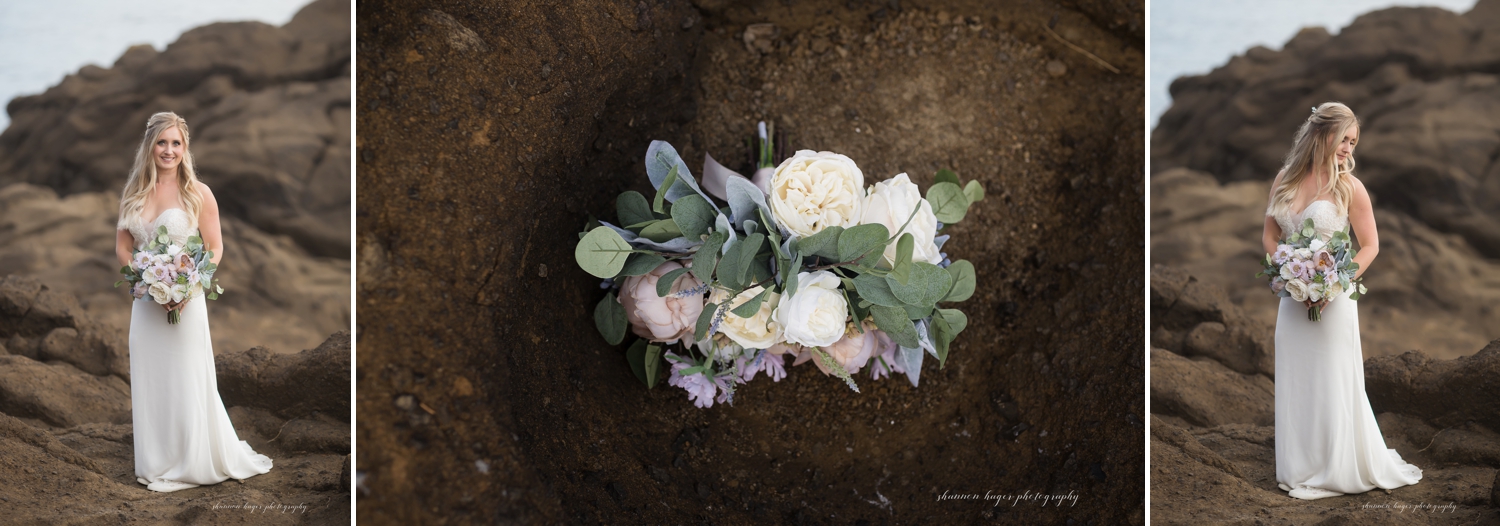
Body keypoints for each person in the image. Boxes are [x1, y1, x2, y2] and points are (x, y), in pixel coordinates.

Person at [1260, 102, 1421, 500]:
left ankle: (1337, 466)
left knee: (1332, 380)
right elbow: (1270, 235)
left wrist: (1334, 283)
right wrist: (1288, 271)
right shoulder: (1285, 178)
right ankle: (1300, 466)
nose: (1349, 148)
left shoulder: (1350, 186)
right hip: (1293, 300)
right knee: (1298, 378)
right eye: (1344, 139)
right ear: (1322, 134)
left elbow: (1370, 246)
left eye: (1353, 142)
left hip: (1334, 299)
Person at [113, 112, 272, 493]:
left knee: (185, 377)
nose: (168, 150)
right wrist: (143, 279)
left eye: (176, 143)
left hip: (186, 300)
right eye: (162, 142)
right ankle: (156, 461)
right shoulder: (134, 191)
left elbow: (215, 247)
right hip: (146, 303)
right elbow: (123, 247)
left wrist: (188, 286)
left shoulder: (198, 192)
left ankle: (193, 459)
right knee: (153, 378)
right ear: (150, 146)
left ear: (185, 148)